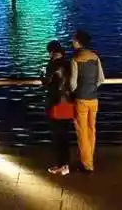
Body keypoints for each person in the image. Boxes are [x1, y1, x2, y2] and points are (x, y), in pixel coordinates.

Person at [70, 30, 105, 173]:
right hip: (94, 99)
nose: (72, 41)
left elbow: (73, 84)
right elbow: (101, 79)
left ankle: (87, 164)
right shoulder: (95, 57)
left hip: (81, 100)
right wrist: (91, 88)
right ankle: (89, 159)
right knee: (91, 130)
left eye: (74, 40)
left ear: (79, 42)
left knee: (82, 132)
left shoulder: (75, 59)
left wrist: (76, 91)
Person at [42, 40, 73, 175]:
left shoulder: (52, 65)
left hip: (55, 103)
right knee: (64, 135)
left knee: (57, 136)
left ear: (52, 52)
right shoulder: (68, 64)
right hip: (68, 102)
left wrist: (42, 74)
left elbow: (46, 82)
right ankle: (65, 164)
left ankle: (61, 165)